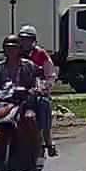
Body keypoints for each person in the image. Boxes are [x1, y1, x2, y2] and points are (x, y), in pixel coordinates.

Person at [17, 24, 59, 157]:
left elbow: (50, 75)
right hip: (17, 92)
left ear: (34, 41)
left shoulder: (41, 54)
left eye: (28, 39)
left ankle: (48, 140)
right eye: (23, 39)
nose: (25, 42)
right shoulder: (14, 54)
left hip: (36, 91)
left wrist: (44, 87)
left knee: (43, 104)